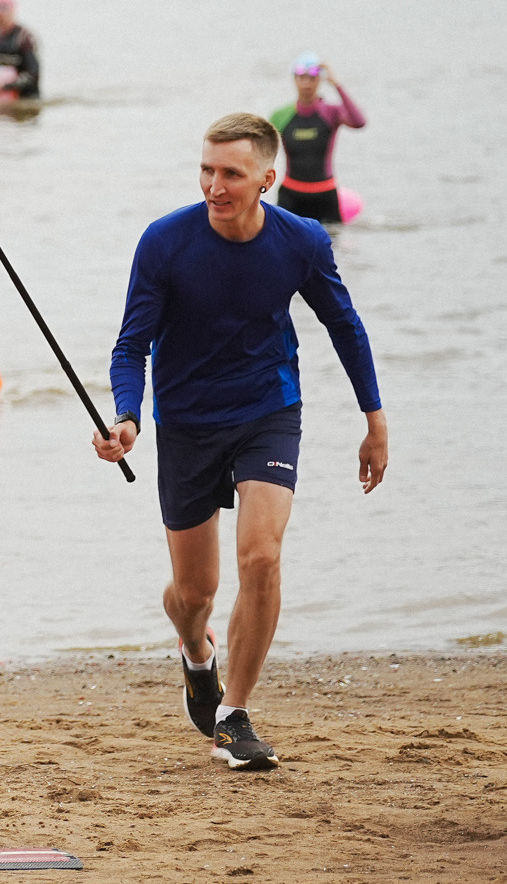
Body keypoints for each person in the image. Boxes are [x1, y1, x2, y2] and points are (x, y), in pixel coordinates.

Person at [96, 113, 387, 772]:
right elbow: (131, 345)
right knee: (192, 593)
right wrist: (126, 418)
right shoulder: (166, 242)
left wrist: (375, 419)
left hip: (268, 410)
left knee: (261, 558)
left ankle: (235, 715)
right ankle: (196, 652)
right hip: (188, 422)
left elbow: (345, 325)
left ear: (267, 179)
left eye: (230, 173)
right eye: (206, 169)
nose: (214, 185)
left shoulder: (302, 241)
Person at [268, 54, 365, 226]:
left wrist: (337, 84)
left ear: (319, 80)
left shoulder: (330, 112)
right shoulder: (280, 115)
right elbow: (263, 151)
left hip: (325, 195)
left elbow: (359, 122)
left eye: (312, 78)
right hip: (291, 196)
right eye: (302, 78)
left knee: (333, 248)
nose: (307, 83)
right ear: (295, 80)